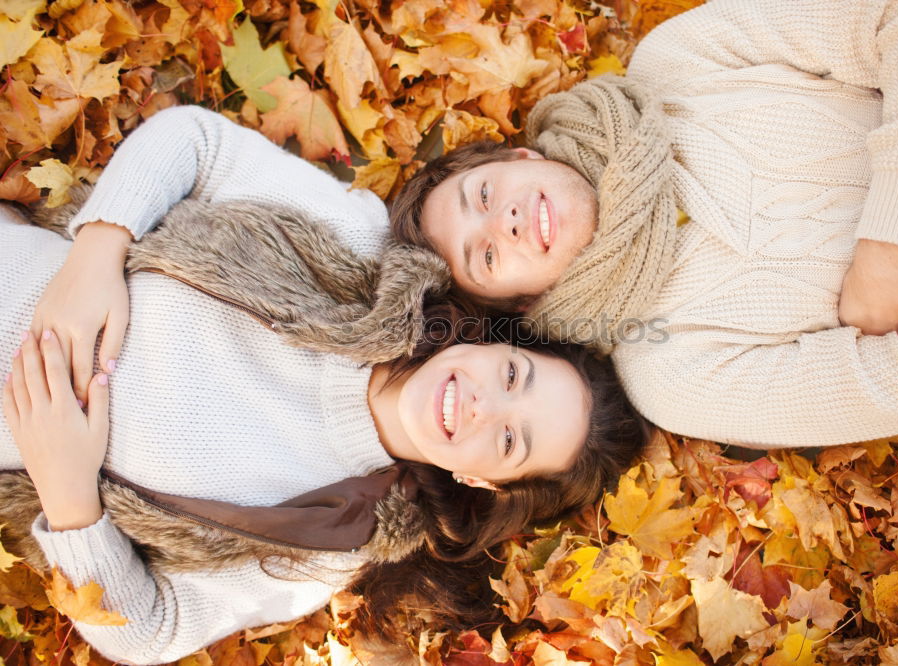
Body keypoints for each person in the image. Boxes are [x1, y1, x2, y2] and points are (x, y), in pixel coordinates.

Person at [0, 189, 647, 663]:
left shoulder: (327, 542)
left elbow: (151, 631)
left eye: (511, 440)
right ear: (487, 343)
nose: (487, 405)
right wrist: (96, 251)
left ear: (479, 479)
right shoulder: (360, 252)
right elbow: (194, 140)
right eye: (513, 376)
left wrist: (68, 497)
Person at [391, 0, 898, 448]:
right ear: (522, 306)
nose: (507, 222)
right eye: (487, 257)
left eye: (485, 193)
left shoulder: (677, 66)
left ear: (518, 157)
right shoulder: (675, 377)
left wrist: (892, 243)